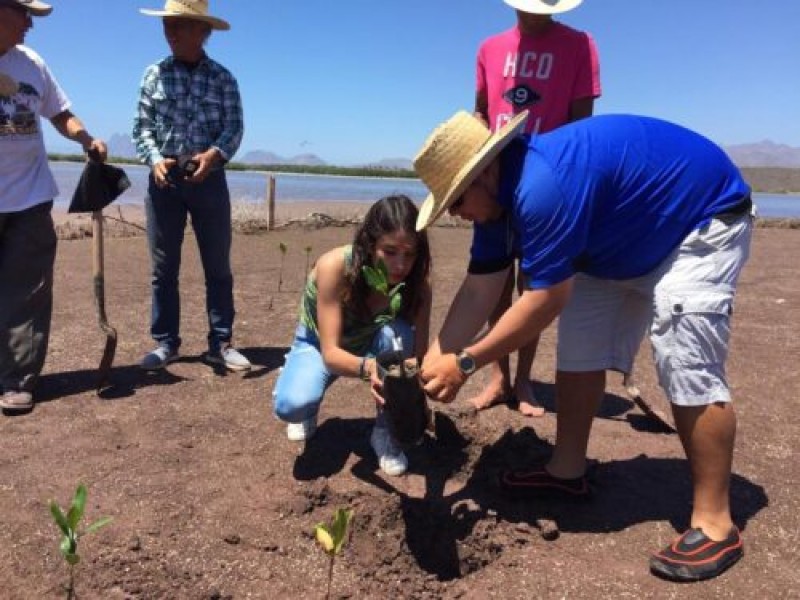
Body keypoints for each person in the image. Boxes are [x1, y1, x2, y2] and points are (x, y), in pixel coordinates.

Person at [413, 110, 753, 581]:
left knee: (683, 351)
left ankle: (716, 524)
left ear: (486, 171)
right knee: (580, 344)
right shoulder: (494, 206)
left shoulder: (541, 186)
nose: (454, 212)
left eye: (457, 199)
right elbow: (478, 291)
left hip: (699, 218)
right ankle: (566, 470)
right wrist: (433, 359)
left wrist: (467, 362)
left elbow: (546, 298)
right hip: (621, 239)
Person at [471, 0, 601, 416]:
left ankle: (524, 378)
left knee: (534, 285)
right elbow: (481, 111)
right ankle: (498, 377)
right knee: (494, 282)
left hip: (548, 188)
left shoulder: (579, 45)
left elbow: (582, 125)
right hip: (495, 183)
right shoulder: (489, 48)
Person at [272, 195, 432, 477]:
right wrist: (373, 368)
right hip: (320, 344)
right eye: (390, 251)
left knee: (400, 335)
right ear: (370, 245)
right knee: (292, 406)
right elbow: (331, 353)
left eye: (409, 254)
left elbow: (417, 357)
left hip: (373, 340)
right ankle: (305, 397)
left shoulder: (417, 286)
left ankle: (385, 431)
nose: (400, 264)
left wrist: (410, 397)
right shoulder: (335, 267)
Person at [0, 0, 108, 413]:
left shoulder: (31, 63)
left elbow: (60, 113)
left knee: (27, 294)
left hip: (29, 197)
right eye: (24, 14)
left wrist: (86, 138)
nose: (30, 24)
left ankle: (18, 380)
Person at [133, 0, 250, 372]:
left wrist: (211, 157)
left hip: (210, 180)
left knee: (217, 265)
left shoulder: (223, 78)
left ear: (202, 32)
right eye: (167, 24)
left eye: (177, 25)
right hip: (163, 180)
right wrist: (154, 159)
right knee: (162, 269)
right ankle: (166, 343)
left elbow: (234, 128)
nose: (168, 32)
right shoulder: (152, 74)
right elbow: (142, 127)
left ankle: (221, 342)